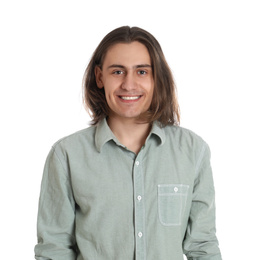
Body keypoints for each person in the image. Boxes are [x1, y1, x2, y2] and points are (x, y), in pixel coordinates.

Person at [34, 26, 222, 260]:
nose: (129, 84)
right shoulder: (66, 155)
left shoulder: (193, 151)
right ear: (100, 77)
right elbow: (54, 249)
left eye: (142, 72)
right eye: (117, 72)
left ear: (156, 78)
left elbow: (202, 246)